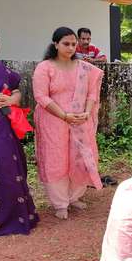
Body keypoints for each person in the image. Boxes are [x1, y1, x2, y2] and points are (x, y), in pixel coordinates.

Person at [33, 27, 104, 220]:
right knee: (56, 159)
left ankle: (74, 197)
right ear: (55, 44)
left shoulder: (84, 68)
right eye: (66, 43)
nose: (71, 47)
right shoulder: (45, 67)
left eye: (74, 44)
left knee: (79, 157)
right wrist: (64, 115)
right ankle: (60, 203)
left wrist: (87, 113)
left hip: (80, 120)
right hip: (53, 120)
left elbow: (91, 93)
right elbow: (41, 96)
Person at [0, 33, 39, 236]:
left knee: (7, 167)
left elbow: (16, 92)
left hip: (1, 127)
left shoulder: (3, 70)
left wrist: (10, 101)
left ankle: (13, 216)